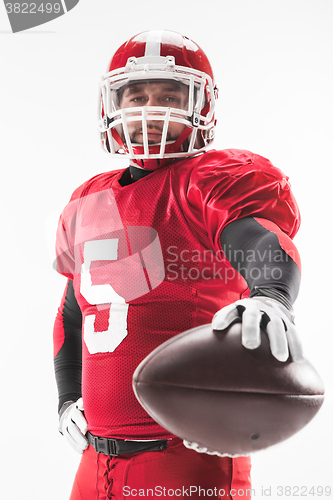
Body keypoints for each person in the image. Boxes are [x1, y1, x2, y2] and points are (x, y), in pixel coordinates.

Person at [53, 30, 303, 500]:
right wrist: (68, 398)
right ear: (113, 105)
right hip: (94, 461)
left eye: (170, 95)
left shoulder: (207, 183)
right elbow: (72, 315)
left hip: (189, 457)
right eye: (137, 96)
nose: (150, 109)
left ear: (201, 105)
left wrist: (272, 296)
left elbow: (261, 244)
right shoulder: (87, 199)